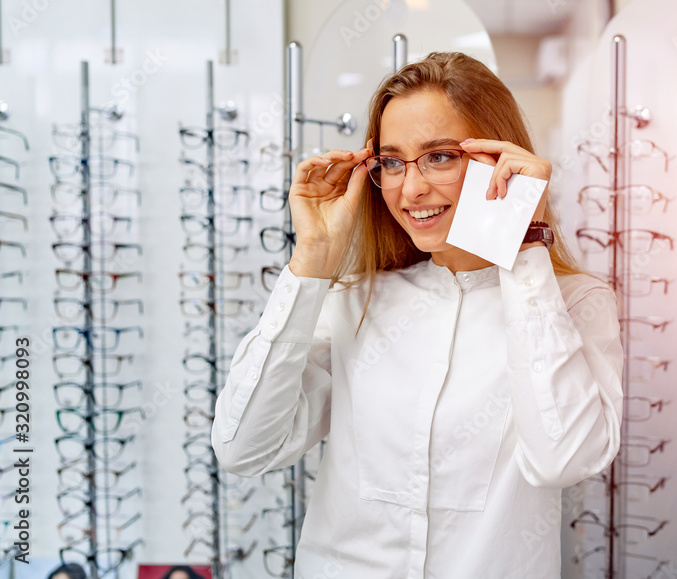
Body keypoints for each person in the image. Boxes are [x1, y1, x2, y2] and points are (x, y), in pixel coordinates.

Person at [212, 51, 623, 578]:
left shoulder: (574, 303)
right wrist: (310, 263)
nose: (411, 189)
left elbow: (562, 458)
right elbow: (242, 447)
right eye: (392, 161)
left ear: (501, 158)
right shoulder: (355, 301)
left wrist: (524, 245)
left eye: (439, 157)